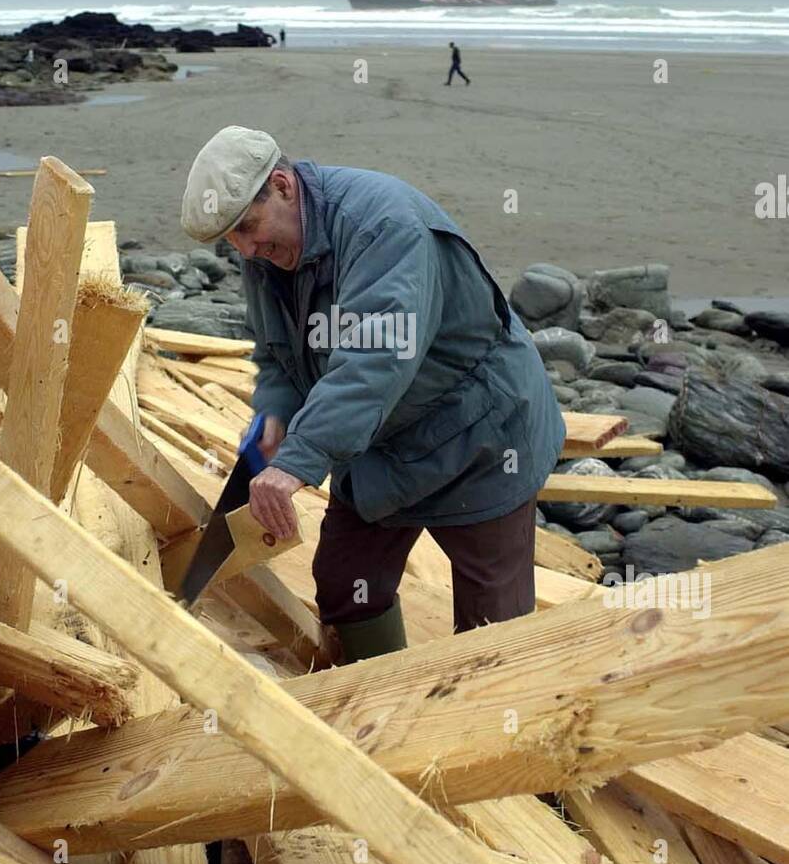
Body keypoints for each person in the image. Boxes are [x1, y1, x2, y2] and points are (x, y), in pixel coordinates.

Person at [181, 126, 564, 663]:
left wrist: (300, 459)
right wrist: (273, 422)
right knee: (346, 584)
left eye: (248, 227)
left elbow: (376, 358)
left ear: (284, 186)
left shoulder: (384, 226)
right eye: (232, 240)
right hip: (380, 442)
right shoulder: (266, 254)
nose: (246, 250)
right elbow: (278, 357)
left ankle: (490, 732)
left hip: (478, 436)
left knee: (490, 629)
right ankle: (374, 716)